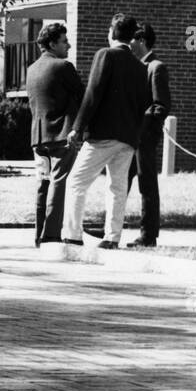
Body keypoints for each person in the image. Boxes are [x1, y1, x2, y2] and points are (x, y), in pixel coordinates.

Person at [60, 13, 151, 250]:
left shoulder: (105, 55)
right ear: (132, 37)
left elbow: (93, 94)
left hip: (103, 135)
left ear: (111, 32)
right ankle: (112, 237)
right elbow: (144, 103)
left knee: (76, 181)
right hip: (128, 137)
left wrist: (77, 128)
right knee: (117, 187)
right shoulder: (142, 68)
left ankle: (72, 235)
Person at [25, 23, 84, 246]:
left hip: (38, 138)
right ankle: (51, 235)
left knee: (43, 183)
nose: (68, 44)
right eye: (64, 41)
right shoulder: (63, 67)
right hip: (61, 135)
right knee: (60, 182)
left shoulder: (31, 69)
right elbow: (82, 96)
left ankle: (39, 234)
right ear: (52, 44)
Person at [126, 23, 172, 249]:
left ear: (142, 40)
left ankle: (148, 235)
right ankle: (111, 226)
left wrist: (144, 128)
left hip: (144, 138)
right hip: (128, 137)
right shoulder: (134, 66)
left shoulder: (156, 67)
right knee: (120, 181)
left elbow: (161, 105)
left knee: (147, 184)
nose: (129, 43)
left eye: (132, 39)